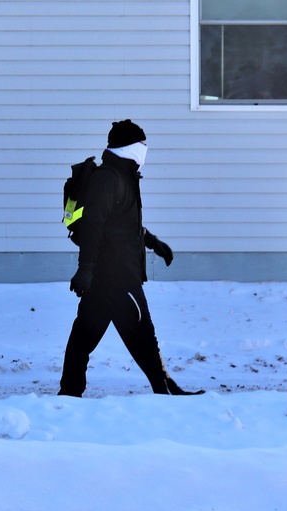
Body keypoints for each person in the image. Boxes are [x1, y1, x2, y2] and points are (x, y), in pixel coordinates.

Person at [59, 119, 204, 397]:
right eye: (141, 143)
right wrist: (84, 270)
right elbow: (93, 226)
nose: (144, 149)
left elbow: (123, 225)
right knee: (144, 339)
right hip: (117, 277)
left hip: (107, 277)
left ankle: (69, 396)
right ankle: (166, 392)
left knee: (82, 340)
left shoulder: (123, 176)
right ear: (127, 146)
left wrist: (153, 242)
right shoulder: (109, 179)